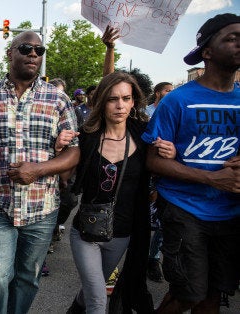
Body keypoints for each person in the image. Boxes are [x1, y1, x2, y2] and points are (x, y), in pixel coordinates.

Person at [0, 30, 80, 314]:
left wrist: (39, 169)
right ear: (10, 54)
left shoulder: (58, 98)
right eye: (25, 48)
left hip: (42, 207)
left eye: (39, 51)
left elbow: (75, 151)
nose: (33, 54)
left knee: (27, 277)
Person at [142, 13, 240, 313]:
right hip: (185, 209)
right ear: (206, 52)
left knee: (215, 294)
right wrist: (212, 178)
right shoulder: (177, 101)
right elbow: (154, 162)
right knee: (189, 293)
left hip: (231, 213)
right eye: (232, 38)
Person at [66, 72, 174, 314]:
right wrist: (60, 147)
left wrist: (171, 152)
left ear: (134, 101)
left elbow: (161, 168)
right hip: (87, 231)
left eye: (126, 98)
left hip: (122, 232)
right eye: (112, 99)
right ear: (102, 101)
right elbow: (66, 179)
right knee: (97, 300)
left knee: (89, 292)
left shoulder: (145, 136)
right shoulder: (87, 137)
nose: (120, 105)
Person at [143, 81, 173, 284]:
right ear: (157, 92)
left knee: (162, 222)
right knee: (143, 218)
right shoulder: (145, 113)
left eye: (172, 91)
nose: (170, 94)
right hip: (146, 171)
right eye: (167, 91)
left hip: (166, 173)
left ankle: (153, 259)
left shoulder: (174, 110)